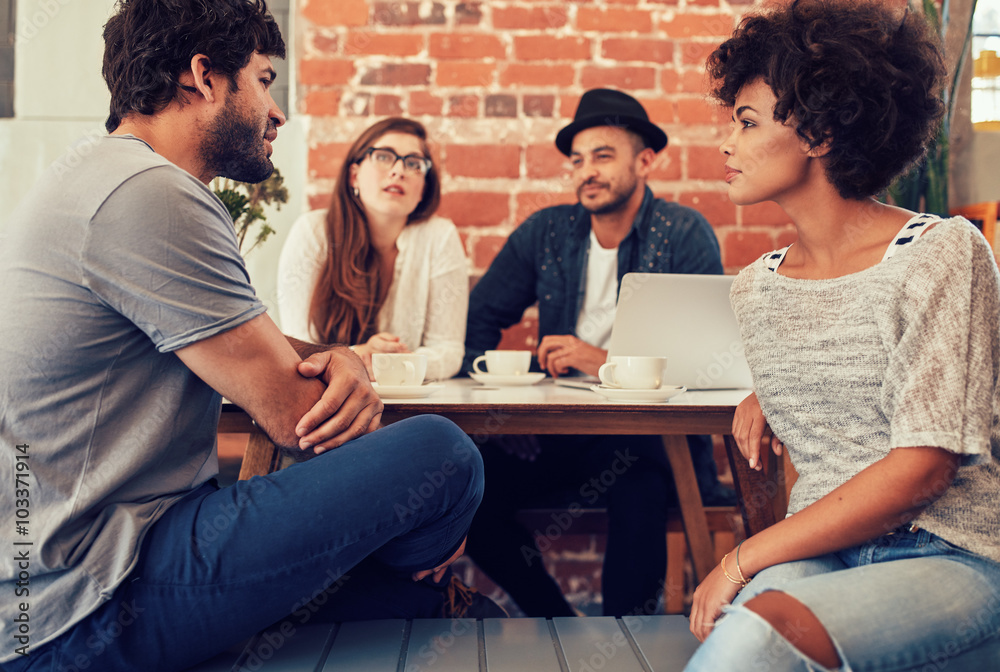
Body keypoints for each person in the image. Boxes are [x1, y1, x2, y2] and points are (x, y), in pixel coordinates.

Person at [0, 2, 497, 671]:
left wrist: (332, 354)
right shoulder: (152, 194)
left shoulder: (97, 176)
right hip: (89, 596)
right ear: (203, 77)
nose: (278, 112)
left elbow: (261, 345)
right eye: (264, 80)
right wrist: (328, 370)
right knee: (444, 456)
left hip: (73, 576)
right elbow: (299, 418)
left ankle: (405, 593)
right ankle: (411, 579)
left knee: (422, 595)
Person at [685, 1, 1000, 669]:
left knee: (753, 636)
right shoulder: (758, 287)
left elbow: (922, 467)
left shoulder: (942, 254)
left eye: (746, 122)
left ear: (820, 133)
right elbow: (843, 387)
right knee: (741, 637)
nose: (725, 143)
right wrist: (771, 393)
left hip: (954, 556)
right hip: (824, 554)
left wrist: (740, 559)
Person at [463, 88, 726, 617]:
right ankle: (560, 625)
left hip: (647, 442)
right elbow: (478, 322)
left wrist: (600, 361)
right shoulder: (547, 233)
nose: (586, 171)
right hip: (558, 435)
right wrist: (506, 415)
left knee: (640, 484)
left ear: (644, 160)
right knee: (468, 488)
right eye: (577, 161)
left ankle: (625, 637)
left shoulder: (682, 233)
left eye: (603, 156)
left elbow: (706, 363)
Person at [277, 117, 467, 381]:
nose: (399, 171)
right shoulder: (314, 231)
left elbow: (448, 350)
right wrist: (358, 356)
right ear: (354, 175)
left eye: (414, 164)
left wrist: (395, 363)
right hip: (325, 399)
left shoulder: (440, 236)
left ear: (423, 188)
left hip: (412, 401)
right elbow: (295, 348)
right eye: (384, 156)